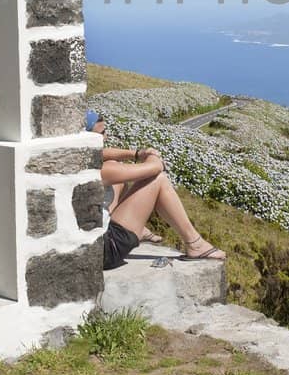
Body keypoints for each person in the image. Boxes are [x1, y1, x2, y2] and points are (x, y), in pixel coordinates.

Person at [87, 110, 226, 269]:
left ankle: (141, 230)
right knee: (158, 180)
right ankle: (195, 244)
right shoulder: (100, 171)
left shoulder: (77, 159)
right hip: (107, 249)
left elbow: (105, 153)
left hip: (93, 241)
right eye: (102, 133)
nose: (106, 137)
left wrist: (137, 153)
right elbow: (154, 168)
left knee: (117, 170)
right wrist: (153, 156)